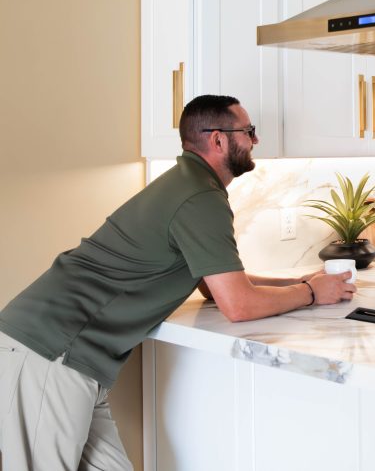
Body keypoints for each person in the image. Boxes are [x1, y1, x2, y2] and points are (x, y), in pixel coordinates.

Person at [0, 95, 355, 471]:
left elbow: (212, 282)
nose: (255, 140)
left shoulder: (190, 185)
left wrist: (297, 282)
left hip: (73, 356)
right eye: (249, 131)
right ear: (219, 140)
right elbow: (238, 305)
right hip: (52, 351)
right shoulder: (200, 196)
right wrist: (311, 293)